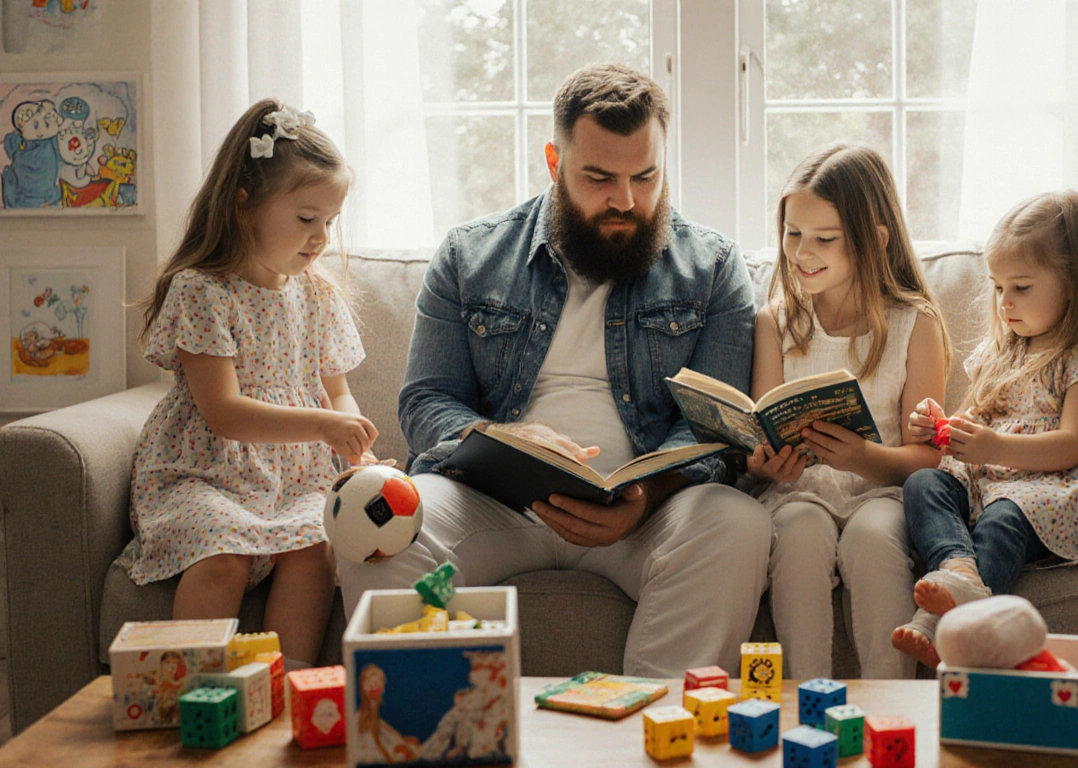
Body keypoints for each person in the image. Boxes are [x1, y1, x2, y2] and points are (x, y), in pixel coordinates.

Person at [337, 64, 770, 677]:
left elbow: (713, 426)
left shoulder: (714, 266)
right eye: (599, 177)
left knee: (738, 523)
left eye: (645, 176)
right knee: (378, 516)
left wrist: (643, 501)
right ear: (554, 160)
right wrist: (502, 441)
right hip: (495, 504)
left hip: (643, 516)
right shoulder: (470, 255)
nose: (626, 200)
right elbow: (428, 400)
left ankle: (661, 734)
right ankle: (432, 735)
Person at [115, 98, 376, 670]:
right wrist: (326, 425)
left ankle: (284, 696)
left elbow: (337, 393)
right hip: (205, 472)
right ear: (244, 206)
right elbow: (225, 413)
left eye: (329, 223)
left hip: (296, 478)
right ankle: (195, 699)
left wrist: (355, 446)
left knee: (314, 549)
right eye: (306, 219)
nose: (321, 239)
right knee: (223, 552)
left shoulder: (317, 293)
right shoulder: (201, 290)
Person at [892, 190, 1078, 668]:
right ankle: (959, 570)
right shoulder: (1001, 351)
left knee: (1003, 518)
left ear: (1076, 282)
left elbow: (1073, 444)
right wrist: (937, 425)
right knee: (923, 482)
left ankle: (942, 623)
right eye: (997, 288)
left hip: (1056, 485)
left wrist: (991, 445)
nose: (1005, 303)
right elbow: (968, 420)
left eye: (1022, 288)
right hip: (993, 479)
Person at [748, 144, 949, 680]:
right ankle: (804, 704)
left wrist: (862, 456)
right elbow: (759, 434)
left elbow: (929, 459)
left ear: (874, 239)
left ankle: (891, 707)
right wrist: (762, 463)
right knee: (799, 536)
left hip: (880, 493)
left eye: (824, 239)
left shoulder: (915, 326)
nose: (802, 252)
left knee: (874, 539)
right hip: (797, 492)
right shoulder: (777, 323)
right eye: (793, 233)